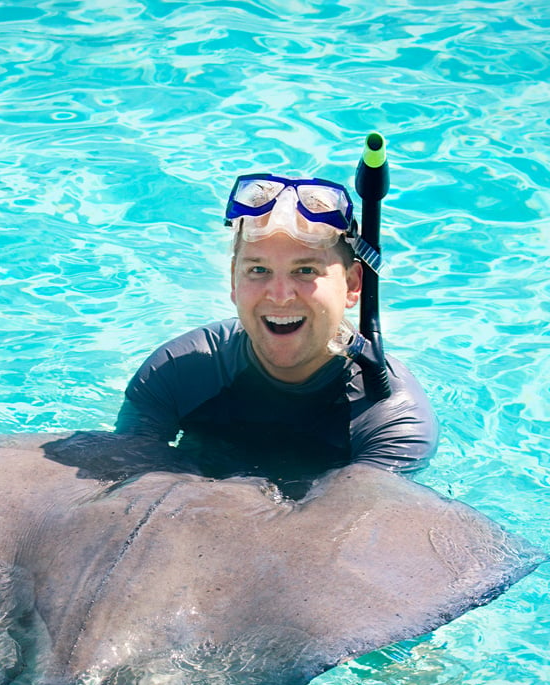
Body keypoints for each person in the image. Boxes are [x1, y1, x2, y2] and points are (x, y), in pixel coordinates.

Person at [115, 172, 438, 497]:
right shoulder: (176, 374)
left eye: (306, 271)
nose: (280, 295)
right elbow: (123, 491)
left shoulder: (390, 420)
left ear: (354, 285)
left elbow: (361, 529)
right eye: (258, 270)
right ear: (233, 279)